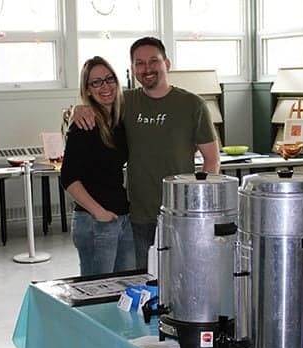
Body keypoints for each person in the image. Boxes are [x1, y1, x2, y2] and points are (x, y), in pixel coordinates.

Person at [73, 37, 220, 270]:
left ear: (167, 64)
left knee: (181, 282)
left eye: (154, 61)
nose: (147, 68)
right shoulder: (125, 102)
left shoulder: (193, 105)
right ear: (133, 69)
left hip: (179, 216)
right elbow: (95, 103)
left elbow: (212, 159)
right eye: (139, 63)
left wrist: (195, 205)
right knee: (140, 285)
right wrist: (79, 109)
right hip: (137, 217)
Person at [61, 56, 136, 276]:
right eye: (96, 82)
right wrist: (99, 213)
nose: (105, 86)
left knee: (125, 289)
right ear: (87, 89)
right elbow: (69, 178)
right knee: (99, 294)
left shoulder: (118, 120)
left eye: (109, 79)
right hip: (96, 221)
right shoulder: (85, 124)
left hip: (122, 217)